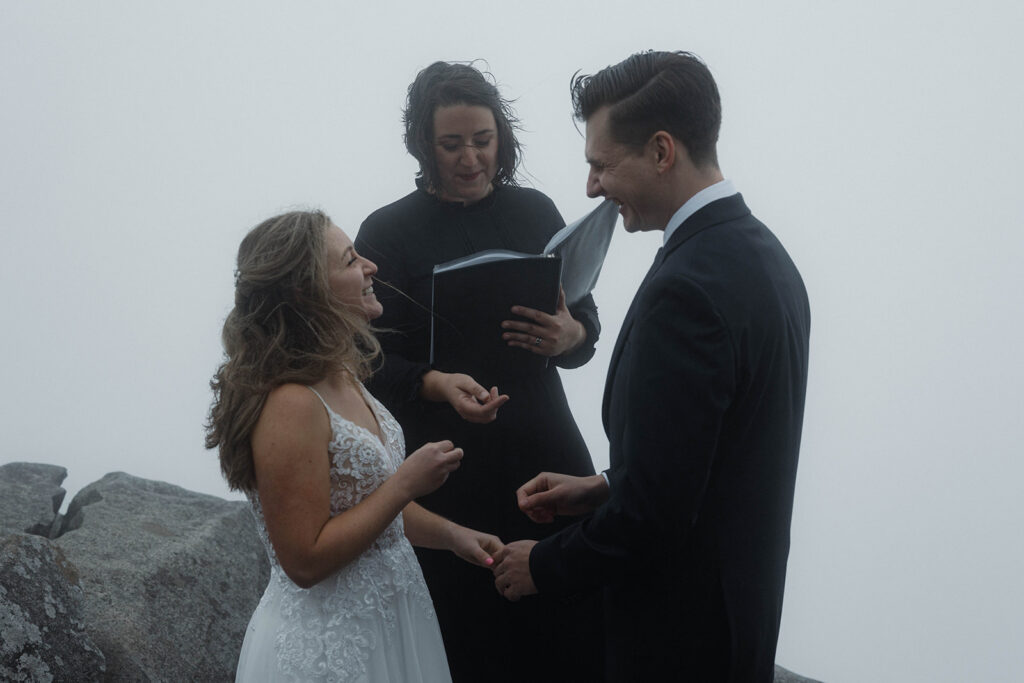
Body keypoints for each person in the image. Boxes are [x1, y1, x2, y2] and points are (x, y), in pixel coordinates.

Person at [492, 51, 812, 682]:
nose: (590, 189)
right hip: (738, 625)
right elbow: (720, 454)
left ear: (662, 151)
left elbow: (656, 520)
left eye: (601, 165)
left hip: (678, 640)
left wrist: (544, 566)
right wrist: (610, 483)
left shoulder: (685, 290)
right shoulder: (767, 258)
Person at [355, 61, 605, 681]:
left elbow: (584, 329)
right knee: (467, 632)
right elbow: (364, 359)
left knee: (571, 622)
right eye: (452, 144)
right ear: (424, 145)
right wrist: (434, 382)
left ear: (502, 138)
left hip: (541, 439)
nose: (470, 158)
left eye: (483, 140)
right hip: (445, 460)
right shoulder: (388, 231)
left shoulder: (533, 210)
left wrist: (569, 334)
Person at [205, 210, 502, 683]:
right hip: (327, 649)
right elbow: (304, 559)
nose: (371, 267)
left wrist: (452, 536)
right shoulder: (291, 403)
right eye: (350, 261)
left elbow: (364, 505)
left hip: (392, 624)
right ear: (308, 291)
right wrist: (406, 482)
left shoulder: (345, 377)